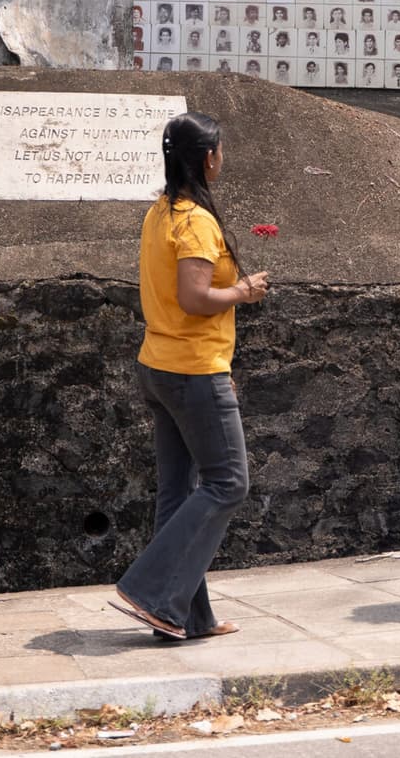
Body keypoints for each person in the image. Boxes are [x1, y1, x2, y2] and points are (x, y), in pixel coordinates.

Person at [109, 113, 270, 641]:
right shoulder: (197, 221)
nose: (222, 159)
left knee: (178, 493)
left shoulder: (161, 212)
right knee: (228, 482)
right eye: (220, 151)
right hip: (192, 368)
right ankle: (152, 591)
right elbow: (195, 297)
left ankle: (183, 615)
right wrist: (243, 294)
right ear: (207, 157)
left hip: (158, 364)